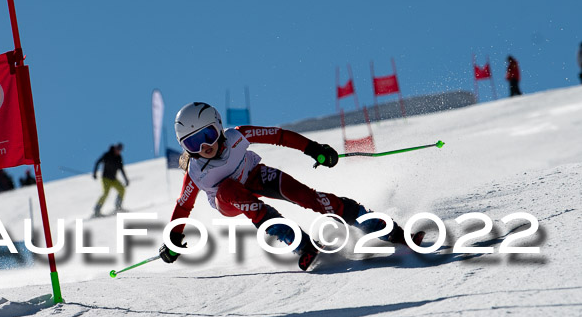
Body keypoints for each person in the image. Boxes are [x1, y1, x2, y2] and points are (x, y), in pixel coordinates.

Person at [158, 102, 425, 271]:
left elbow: (278, 136)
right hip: (227, 200)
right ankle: (298, 241)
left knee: (308, 197)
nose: (205, 148)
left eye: (208, 136)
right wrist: (172, 240)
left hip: (254, 175)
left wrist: (314, 150)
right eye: (193, 145)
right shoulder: (195, 172)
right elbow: (184, 207)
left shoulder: (238, 135)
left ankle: (387, 230)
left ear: (218, 127)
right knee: (230, 190)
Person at [93, 143, 129, 216]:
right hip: (106, 178)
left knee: (122, 189)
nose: (118, 151)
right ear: (115, 148)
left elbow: (121, 169)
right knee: (105, 193)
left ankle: (118, 206)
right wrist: (95, 173)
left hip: (113, 179)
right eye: (118, 149)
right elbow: (97, 162)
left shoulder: (119, 157)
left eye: (120, 150)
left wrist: (126, 179)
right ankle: (97, 209)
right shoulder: (107, 155)